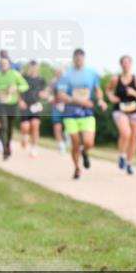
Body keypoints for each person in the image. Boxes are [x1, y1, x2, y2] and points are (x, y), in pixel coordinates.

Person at [57, 48, 107, 179]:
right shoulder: (66, 75)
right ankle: (77, 168)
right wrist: (78, 100)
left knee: (88, 142)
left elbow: (98, 90)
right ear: (73, 59)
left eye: (81, 58)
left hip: (87, 113)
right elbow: (61, 94)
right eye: (76, 58)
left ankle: (84, 152)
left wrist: (101, 100)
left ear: (84, 58)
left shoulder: (91, 73)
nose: (78, 60)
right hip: (70, 113)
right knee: (75, 142)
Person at [106, 55, 136, 175]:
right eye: (123, 63)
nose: (126, 65)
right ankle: (122, 155)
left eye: (128, 62)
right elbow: (108, 90)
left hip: (135, 112)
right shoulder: (115, 79)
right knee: (126, 133)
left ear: (131, 64)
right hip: (120, 110)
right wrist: (111, 97)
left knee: (133, 138)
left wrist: (135, 93)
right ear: (121, 65)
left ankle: (129, 163)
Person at [0, 56, 28, 160]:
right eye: (1, 63)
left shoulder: (15, 74)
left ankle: (8, 145)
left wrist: (16, 88)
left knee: (10, 127)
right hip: (0, 103)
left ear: (9, 64)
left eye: (5, 63)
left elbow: (25, 85)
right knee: (3, 126)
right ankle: (5, 150)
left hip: (12, 103)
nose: (3, 65)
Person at [0, 50, 20, 153]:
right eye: (2, 55)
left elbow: (19, 80)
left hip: (11, 98)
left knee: (10, 122)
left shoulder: (15, 66)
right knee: (0, 121)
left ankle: (7, 142)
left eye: (5, 55)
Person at [18, 60, 48, 158]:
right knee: (25, 127)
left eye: (35, 66)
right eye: (32, 66)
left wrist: (43, 96)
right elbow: (18, 91)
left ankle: (34, 148)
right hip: (25, 104)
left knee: (35, 125)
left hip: (35, 105)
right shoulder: (23, 78)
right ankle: (24, 137)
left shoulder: (41, 80)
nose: (33, 68)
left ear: (38, 68)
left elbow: (45, 93)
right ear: (29, 67)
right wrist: (20, 101)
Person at [49, 67, 69, 154]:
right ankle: (61, 146)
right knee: (57, 126)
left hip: (67, 107)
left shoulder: (68, 82)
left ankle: (67, 136)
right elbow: (48, 93)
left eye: (62, 73)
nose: (60, 74)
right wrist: (50, 98)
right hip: (56, 107)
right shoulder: (53, 83)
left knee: (69, 125)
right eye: (58, 72)